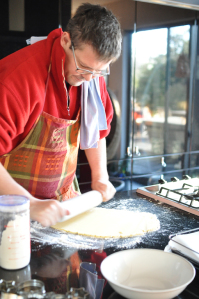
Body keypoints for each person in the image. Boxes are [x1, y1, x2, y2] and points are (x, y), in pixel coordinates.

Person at [0, 3, 122, 227]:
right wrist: (31, 204)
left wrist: (100, 176)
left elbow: (96, 131)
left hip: (64, 208)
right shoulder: (17, 80)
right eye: (84, 67)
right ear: (66, 41)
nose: (89, 79)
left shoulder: (92, 77)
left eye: (100, 71)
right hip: (11, 211)